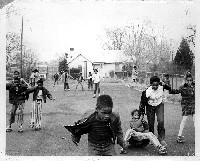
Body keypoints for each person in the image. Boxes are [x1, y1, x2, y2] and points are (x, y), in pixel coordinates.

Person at [139, 76, 172, 147]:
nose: (155, 87)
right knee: (151, 123)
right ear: (150, 84)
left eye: (157, 85)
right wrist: (141, 113)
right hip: (150, 107)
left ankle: (161, 139)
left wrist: (164, 84)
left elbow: (169, 88)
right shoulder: (147, 91)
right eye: (153, 85)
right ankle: (152, 138)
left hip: (159, 105)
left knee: (161, 121)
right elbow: (142, 103)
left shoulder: (161, 87)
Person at [169, 73, 195, 143]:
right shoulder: (182, 87)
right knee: (184, 120)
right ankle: (179, 136)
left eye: (190, 80)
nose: (189, 82)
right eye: (188, 80)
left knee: (196, 120)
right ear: (185, 80)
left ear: (192, 80)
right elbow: (174, 91)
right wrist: (168, 87)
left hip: (193, 105)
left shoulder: (195, 86)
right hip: (186, 106)